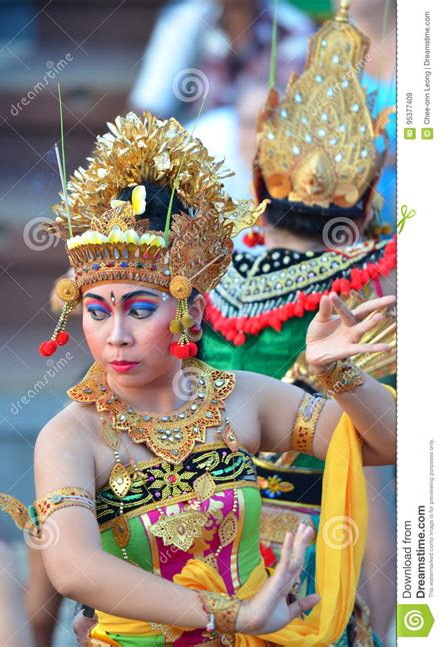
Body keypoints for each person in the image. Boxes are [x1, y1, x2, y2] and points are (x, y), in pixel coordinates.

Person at [0, 110, 395, 646]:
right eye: (98, 311)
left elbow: (389, 443)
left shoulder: (240, 398)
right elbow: (74, 566)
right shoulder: (71, 434)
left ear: (191, 316)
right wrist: (234, 616)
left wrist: (337, 373)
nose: (117, 336)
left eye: (140, 309)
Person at [200, 1, 396, 642]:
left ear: (263, 172)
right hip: (315, 549)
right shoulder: (375, 270)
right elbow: (382, 458)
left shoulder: (203, 265)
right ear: (366, 192)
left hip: (190, 537)